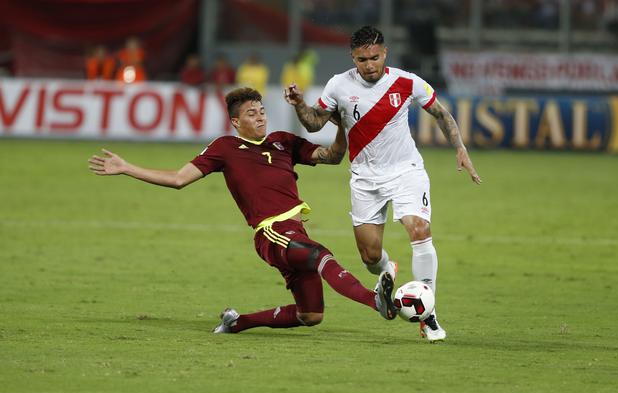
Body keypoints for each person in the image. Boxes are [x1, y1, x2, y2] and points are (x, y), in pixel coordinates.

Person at [88, 87, 397, 334]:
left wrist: (342, 124)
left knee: (311, 315)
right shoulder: (225, 148)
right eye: (252, 114)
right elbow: (178, 179)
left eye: (262, 111)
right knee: (320, 256)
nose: (261, 118)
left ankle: (237, 323)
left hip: (295, 232)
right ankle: (376, 301)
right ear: (236, 122)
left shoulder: (283, 142)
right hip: (272, 232)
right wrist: (127, 168)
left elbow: (332, 156)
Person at [284, 26, 482, 342]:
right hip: (364, 179)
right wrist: (298, 104)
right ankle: (387, 271)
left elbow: (441, 114)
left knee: (418, 229)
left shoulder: (406, 82)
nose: (370, 65)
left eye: (375, 57)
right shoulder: (338, 85)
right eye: (363, 59)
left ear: (384, 53)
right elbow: (314, 122)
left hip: (406, 171)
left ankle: (428, 316)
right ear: (354, 58)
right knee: (370, 256)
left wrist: (460, 148)